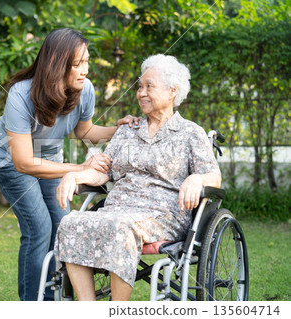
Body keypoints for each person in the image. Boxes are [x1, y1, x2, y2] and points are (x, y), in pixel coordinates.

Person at [0, 28, 138, 301]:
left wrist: (118, 129)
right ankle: (34, 304)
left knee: (64, 225)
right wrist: (79, 168)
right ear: (57, 65)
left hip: (49, 158)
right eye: (77, 64)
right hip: (10, 161)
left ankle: (55, 298)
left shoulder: (84, 89)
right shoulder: (21, 95)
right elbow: (23, 162)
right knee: (39, 228)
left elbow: (85, 131)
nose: (85, 70)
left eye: (87, 62)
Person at [54, 54, 222, 301]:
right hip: (118, 209)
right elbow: (103, 170)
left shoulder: (190, 133)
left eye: (149, 87)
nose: (141, 93)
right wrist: (74, 175)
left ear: (172, 91)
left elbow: (214, 176)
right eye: (140, 87)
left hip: (164, 214)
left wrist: (197, 179)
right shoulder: (128, 131)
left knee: (121, 227)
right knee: (71, 222)